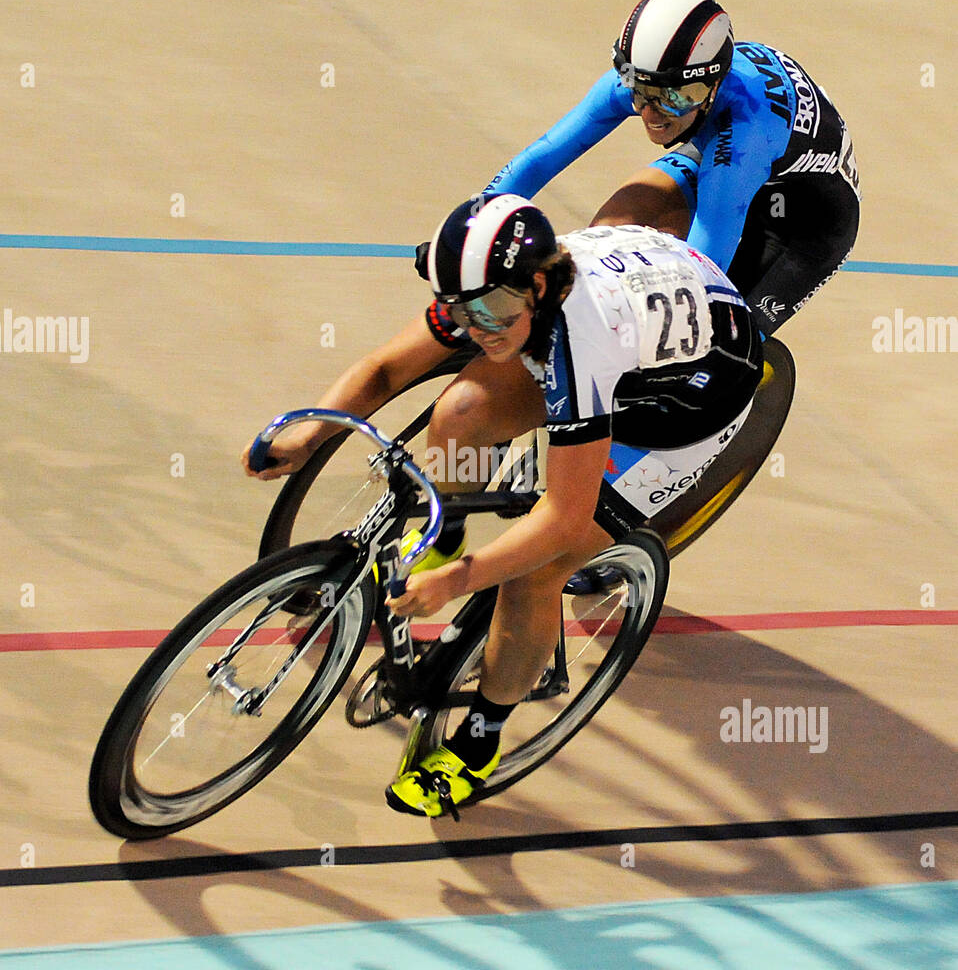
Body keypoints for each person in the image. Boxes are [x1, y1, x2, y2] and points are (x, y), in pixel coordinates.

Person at [244, 194, 762, 818]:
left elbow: (565, 519)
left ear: (538, 285)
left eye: (491, 310)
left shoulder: (582, 338)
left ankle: (482, 739)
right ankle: (448, 533)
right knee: (459, 414)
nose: (480, 327)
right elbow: (385, 370)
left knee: (535, 571)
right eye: (464, 311)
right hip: (645, 325)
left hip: (686, 407)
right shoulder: (490, 290)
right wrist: (310, 434)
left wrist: (460, 582)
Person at [419, 0, 861, 336]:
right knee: (603, 239)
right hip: (715, 151)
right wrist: (468, 238)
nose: (652, 113)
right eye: (641, 92)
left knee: (711, 339)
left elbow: (702, 269)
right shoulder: (655, 83)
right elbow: (542, 158)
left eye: (673, 97)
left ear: (714, 82)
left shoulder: (746, 134)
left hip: (808, 224)